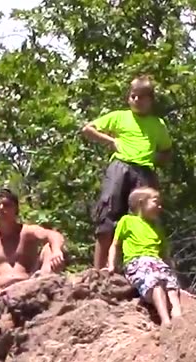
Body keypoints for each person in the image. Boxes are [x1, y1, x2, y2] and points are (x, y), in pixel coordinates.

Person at [81, 75, 174, 271]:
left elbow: (166, 151)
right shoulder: (119, 116)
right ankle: (100, 271)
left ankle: (143, 268)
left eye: (142, 97)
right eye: (133, 96)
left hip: (145, 172)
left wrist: (153, 158)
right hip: (120, 167)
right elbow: (88, 129)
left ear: (151, 99)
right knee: (108, 216)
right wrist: (111, 141)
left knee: (144, 219)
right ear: (128, 98)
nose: (137, 101)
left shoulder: (158, 124)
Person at [0, 189, 68, 308]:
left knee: (50, 248)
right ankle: (12, 298)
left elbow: (53, 235)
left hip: (29, 284)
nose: (1, 208)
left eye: (6, 205)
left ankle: (39, 287)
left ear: (16, 208)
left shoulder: (27, 231)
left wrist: (56, 251)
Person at [109, 187, 184, 326]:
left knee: (171, 284)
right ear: (141, 203)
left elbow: (164, 253)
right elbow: (115, 245)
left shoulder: (157, 227)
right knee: (153, 281)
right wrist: (111, 266)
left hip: (157, 262)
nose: (160, 207)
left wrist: (171, 269)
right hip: (137, 261)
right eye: (156, 202)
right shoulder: (127, 221)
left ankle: (177, 314)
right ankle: (165, 319)